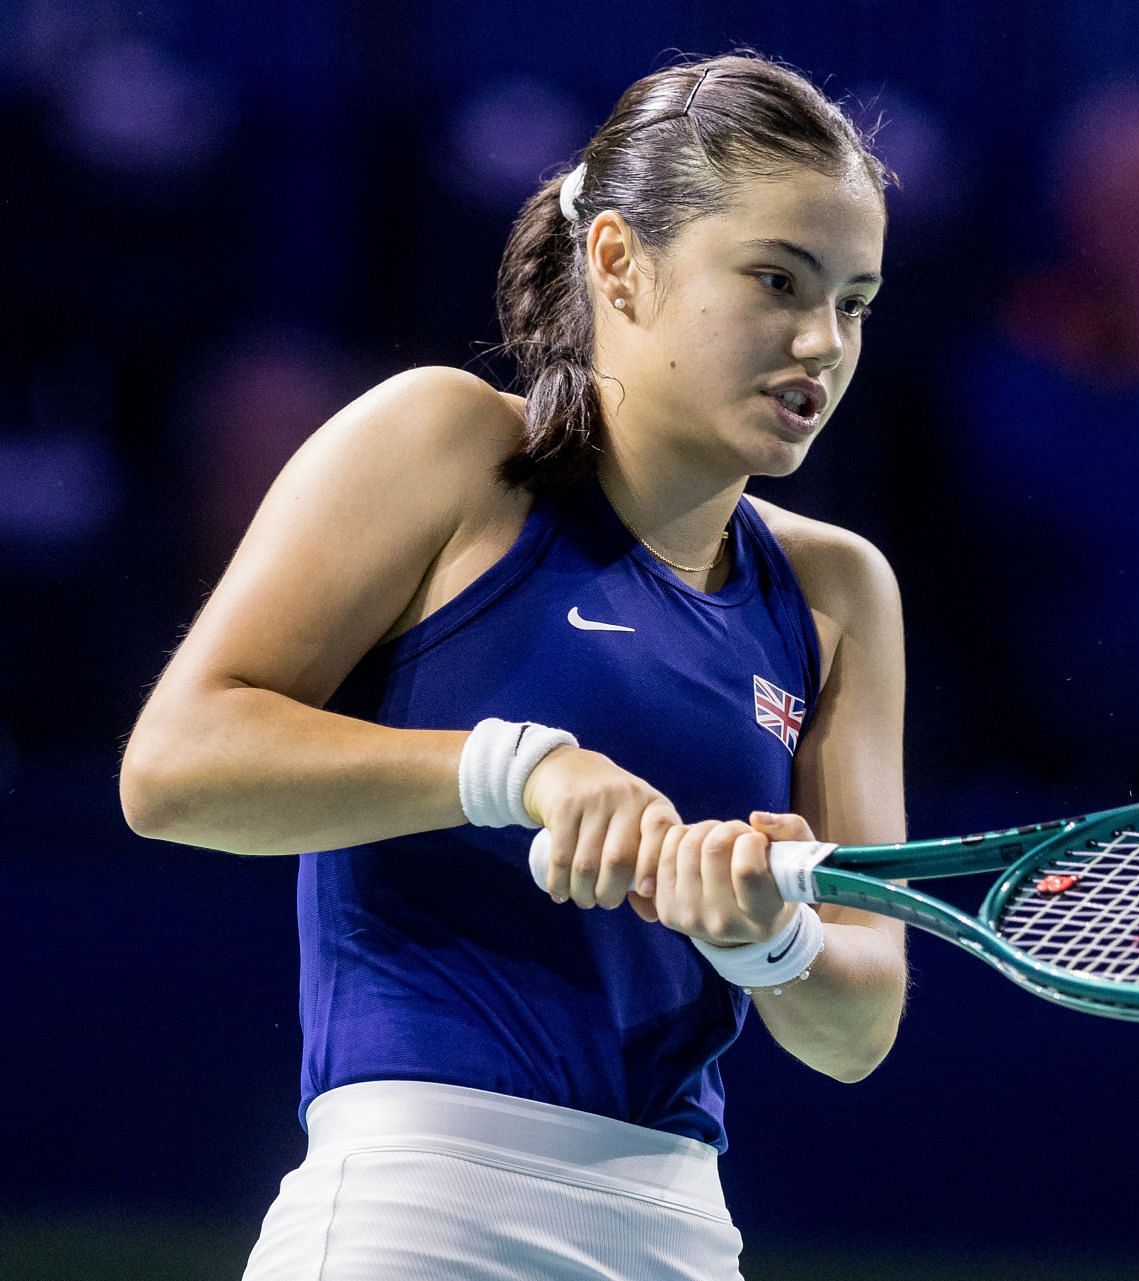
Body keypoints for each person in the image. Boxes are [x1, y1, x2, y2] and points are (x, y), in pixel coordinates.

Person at [118, 52, 907, 1280]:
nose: (822, 340)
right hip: (412, 1216)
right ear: (616, 264)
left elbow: (861, 1021)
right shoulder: (442, 442)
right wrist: (514, 769)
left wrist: (769, 939)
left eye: (854, 300)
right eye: (775, 280)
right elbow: (173, 768)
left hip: (684, 1234)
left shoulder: (839, 590)